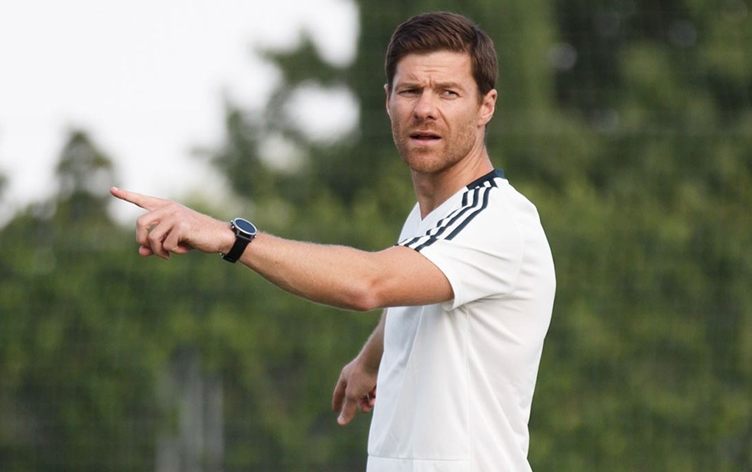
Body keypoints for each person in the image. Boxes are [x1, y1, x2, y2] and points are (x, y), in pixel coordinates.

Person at [111, 11, 555, 472]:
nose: (425, 108)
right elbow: (416, 291)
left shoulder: (493, 220)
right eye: (410, 91)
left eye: (448, 92)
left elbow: (370, 283)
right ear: (388, 100)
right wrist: (371, 359)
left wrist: (231, 237)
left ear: (486, 106)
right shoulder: (429, 221)